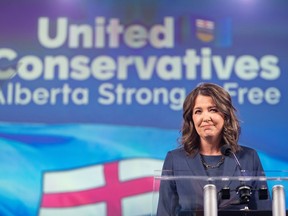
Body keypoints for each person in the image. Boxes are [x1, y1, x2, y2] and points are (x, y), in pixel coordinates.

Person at [156, 82, 271, 215]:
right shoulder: (175, 159)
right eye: (198, 111)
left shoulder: (248, 158)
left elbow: (264, 210)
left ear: (225, 116)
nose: (206, 118)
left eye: (213, 110)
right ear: (191, 119)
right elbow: (164, 212)